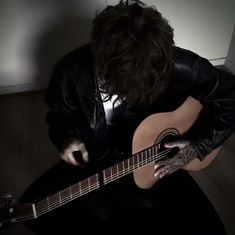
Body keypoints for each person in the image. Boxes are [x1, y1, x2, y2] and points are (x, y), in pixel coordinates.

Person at [20, 0, 235, 234]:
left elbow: (231, 97)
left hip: (155, 158)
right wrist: (67, 137)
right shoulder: (70, 72)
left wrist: (199, 144)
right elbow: (59, 115)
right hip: (99, 160)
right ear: (102, 64)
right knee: (37, 212)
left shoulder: (173, 64)